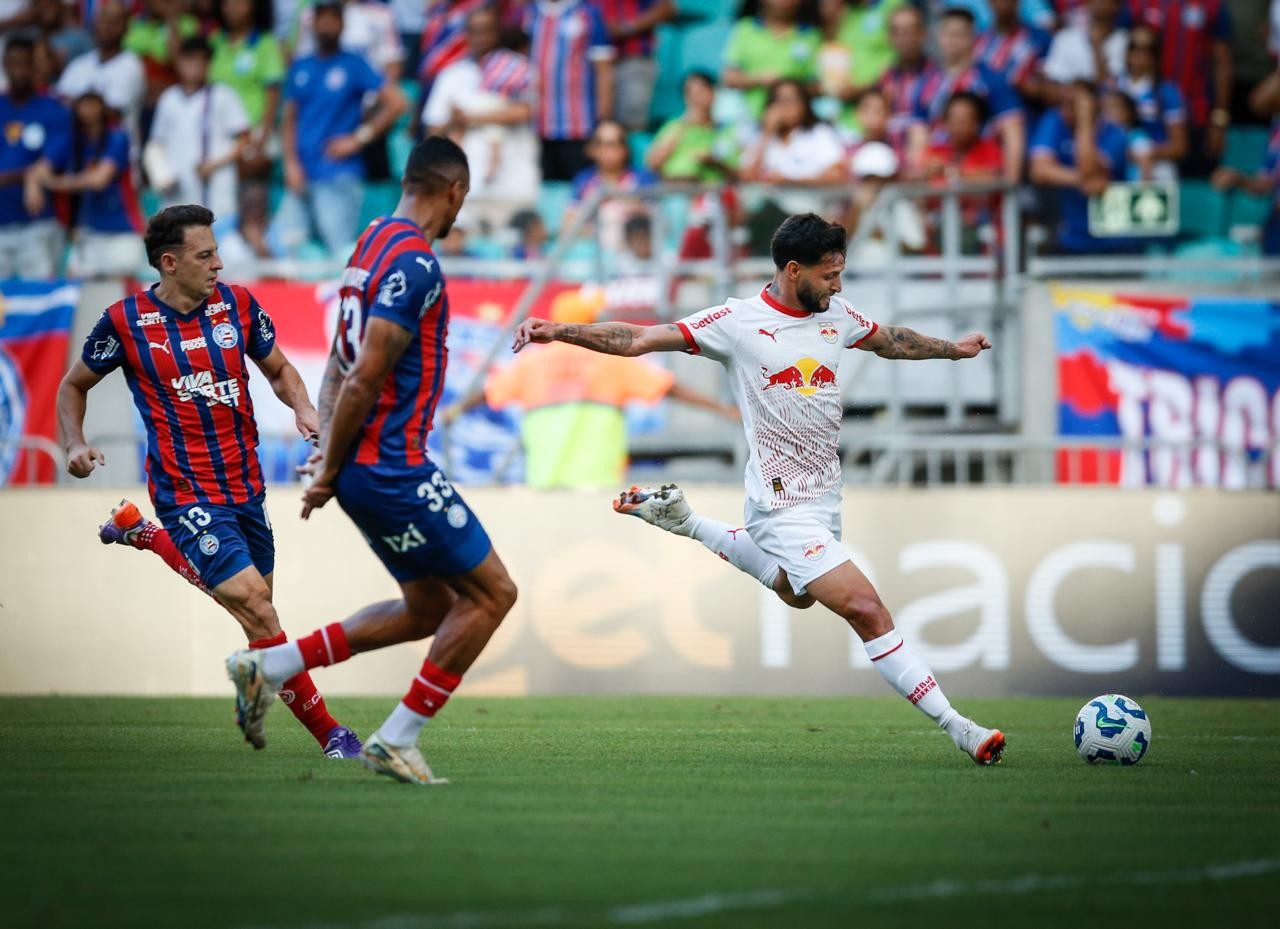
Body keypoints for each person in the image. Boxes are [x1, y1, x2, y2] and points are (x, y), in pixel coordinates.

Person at [510, 212, 1005, 766]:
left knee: (796, 593)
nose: (838, 285)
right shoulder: (736, 322)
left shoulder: (835, 314)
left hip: (825, 497)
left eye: (841, 273)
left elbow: (892, 341)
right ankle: (959, 726)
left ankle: (686, 521)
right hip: (778, 504)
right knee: (865, 608)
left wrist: (952, 350)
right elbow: (640, 338)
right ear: (794, 271)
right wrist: (561, 332)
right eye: (830, 274)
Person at [226, 137, 519, 786]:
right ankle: (397, 737)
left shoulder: (371, 242)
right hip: (393, 466)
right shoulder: (416, 264)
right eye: (459, 204)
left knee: (426, 608)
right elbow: (361, 375)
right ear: (454, 192)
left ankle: (269, 667)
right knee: (495, 593)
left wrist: (328, 448)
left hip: (365, 466)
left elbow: (335, 357)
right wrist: (327, 465)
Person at [55, 203, 361, 759]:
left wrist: (304, 410)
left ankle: (141, 534)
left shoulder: (239, 305)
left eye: (217, 252)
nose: (219, 263)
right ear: (169, 263)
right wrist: (74, 442)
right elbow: (73, 385)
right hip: (184, 489)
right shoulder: (124, 322)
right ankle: (332, 735)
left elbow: (281, 369)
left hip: (245, 483)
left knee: (257, 606)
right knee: (257, 607)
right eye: (205, 255)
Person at [269, 0, 406, 258]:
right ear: (313, 24)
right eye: (321, 19)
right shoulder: (301, 65)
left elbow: (398, 102)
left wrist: (358, 139)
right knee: (286, 248)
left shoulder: (354, 64)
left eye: (333, 19)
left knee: (339, 252)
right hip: (301, 174)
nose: (326, 25)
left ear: (342, 24)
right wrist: (290, 164)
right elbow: (289, 120)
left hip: (339, 174)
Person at [423, 4, 537, 235]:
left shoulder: (517, 68)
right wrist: (455, 123)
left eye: (486, 30)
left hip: (514, 185)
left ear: (497, 32)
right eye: (474, 31)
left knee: (512, 262)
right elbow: (433, 131)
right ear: (465, 34)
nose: (480, 38)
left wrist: (471, 117)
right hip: (467, 189)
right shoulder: (451, 75)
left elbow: (526, 111)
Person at [26, 91, 144, 278]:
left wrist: (57, 182)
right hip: (87, 231)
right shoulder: (73, 141)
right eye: (83, 104)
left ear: (103, 107)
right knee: (82, 294)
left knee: (120, 294)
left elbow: (99, 179)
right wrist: (31, 184)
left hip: (120, 230)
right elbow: (39, 169)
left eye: (93, 104)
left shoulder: (117, 137)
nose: (88, 111)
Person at [907, 6, 1025, 184]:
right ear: (938, 37)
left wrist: (1011, 185)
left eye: (959, 34)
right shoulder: (926, 83)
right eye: (947, 34)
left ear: (973, 38)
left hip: (980, 174)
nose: (953, 40)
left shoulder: (992, 81)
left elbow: (1012, 132)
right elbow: (918, 136)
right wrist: (920, 171)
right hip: (938, 177)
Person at [147, 36, 250, 222]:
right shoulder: (169, 98)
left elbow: (244, 139)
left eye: (202, 60)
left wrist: (214, 163)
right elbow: (156, 145)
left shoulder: (223, 95)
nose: (196, 65)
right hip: (177, 191)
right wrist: (162, 175)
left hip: (216, 188)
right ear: (179, 62)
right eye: (190, 59)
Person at [1127, 0, 1231, 177]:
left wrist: (1219, 120)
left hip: (1197, 116)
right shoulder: (1139, 4)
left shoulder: (1211, 5)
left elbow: (1222, 62)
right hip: (1146, 119)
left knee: (1191, 188)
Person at [1029, 82, 1131, 252]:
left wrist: (1085, 121)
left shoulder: (1116, 133)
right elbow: (1038, 171)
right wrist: (1081, 180)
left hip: (1112, 240)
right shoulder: (1055, 120)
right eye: (1064, 103)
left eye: (1075, 104)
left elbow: (1088, 167)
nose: (1066, 109)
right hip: (1070, 238)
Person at [0, 36, 71, 280]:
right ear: (4, 65)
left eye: (24, 63)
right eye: (12, 63)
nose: (18, 70)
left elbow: (54, 161)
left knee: (41, 302)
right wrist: (28, 174)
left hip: (39, 225)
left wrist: (30, 174)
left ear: (34, 67)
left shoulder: (54, 109)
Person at [526, 0, 617, 183]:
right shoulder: (529, 13)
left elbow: (604, 70)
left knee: (579, 190)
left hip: (579, 128)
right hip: (537, 126)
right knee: (544, 192)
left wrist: (602, 122)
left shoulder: (588, 13)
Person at [56, 1, 145, 143]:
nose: (107, 26)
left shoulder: (131, 65)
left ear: (126, 28)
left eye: (114, 21)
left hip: (116, 153)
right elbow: (58, 104)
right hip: (77, 152)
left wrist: (73, 103)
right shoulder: (78, 65)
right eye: (103, 20)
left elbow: (110, 113)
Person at [721, 0, 820, 126]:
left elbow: (817, 84)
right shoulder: (745, 29)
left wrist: (789, 90)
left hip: (796, 126)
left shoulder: (810, 35)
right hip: (750, 120)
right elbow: (729, 78)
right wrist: (759, 79)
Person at [1108, 23, 1186, 172]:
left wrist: (1143, 152)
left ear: (1156, 55)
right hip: (1114, 168)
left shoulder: (1166, 92)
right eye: (1134, 47)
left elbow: (1179, 146)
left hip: (1157, 168)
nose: (1139, 54)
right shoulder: (1112, 87)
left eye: (1147, 49)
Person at [597, 0, 677, 131]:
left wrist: (626, 28)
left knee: (632, 125)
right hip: (592, 64)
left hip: (632, 59)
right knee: (599, 126)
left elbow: (667, 9)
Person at [1043, 0, 1128, 86]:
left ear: (1119, 5)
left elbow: (1109, 84)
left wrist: (1096, 46)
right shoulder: (1064, 37)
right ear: (1087, 3)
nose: (1103, 3)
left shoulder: (1126, 41)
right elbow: (1051, 77)